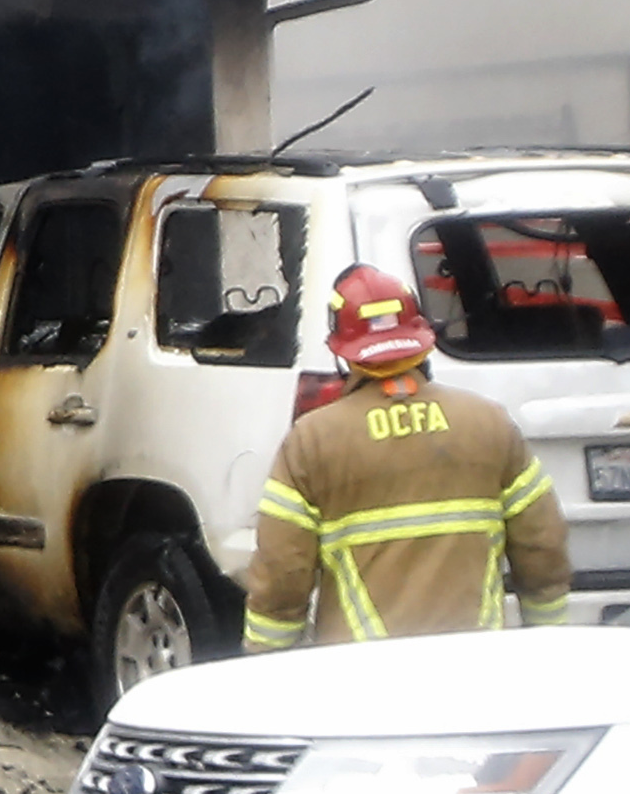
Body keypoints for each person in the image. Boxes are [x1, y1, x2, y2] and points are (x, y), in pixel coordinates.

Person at [242, 262, 572, 651]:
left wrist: (266, 662)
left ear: (342, 350)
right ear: (420, 336)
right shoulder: (488, 424)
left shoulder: (312, 441)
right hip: (476, 665)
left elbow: (282, 574)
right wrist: (549, 639)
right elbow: (542, 546)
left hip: (363, 674)